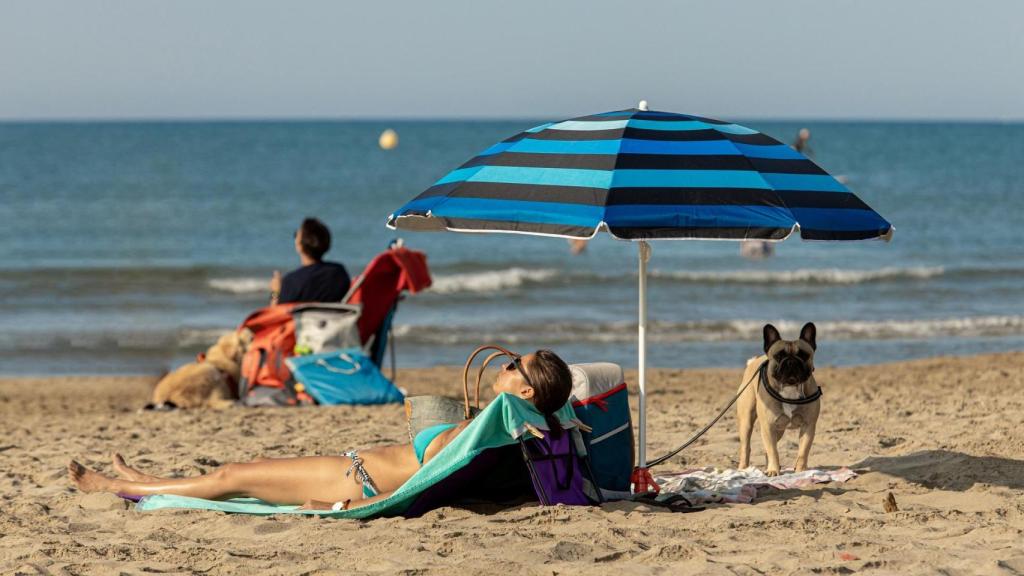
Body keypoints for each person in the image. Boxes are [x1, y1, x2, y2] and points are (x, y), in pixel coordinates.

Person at [68, 349, 572, 511]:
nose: (503, 366)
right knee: (234, 474)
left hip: (352, 481)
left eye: (513, 366)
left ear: (525, 392)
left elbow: (429, 487)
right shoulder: (497, 428)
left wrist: (347, 506)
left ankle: (123, 485)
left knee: (231, 474)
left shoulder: (485, 431)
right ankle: (142, 478)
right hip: (355, 470)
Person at [269, 218, 351, 306]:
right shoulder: (339, 272)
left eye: (296, 235)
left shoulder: (292, 281)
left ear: (299, 246)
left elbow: (276, 315)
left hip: (301, 320)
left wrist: (275, 292)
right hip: (334, 319)